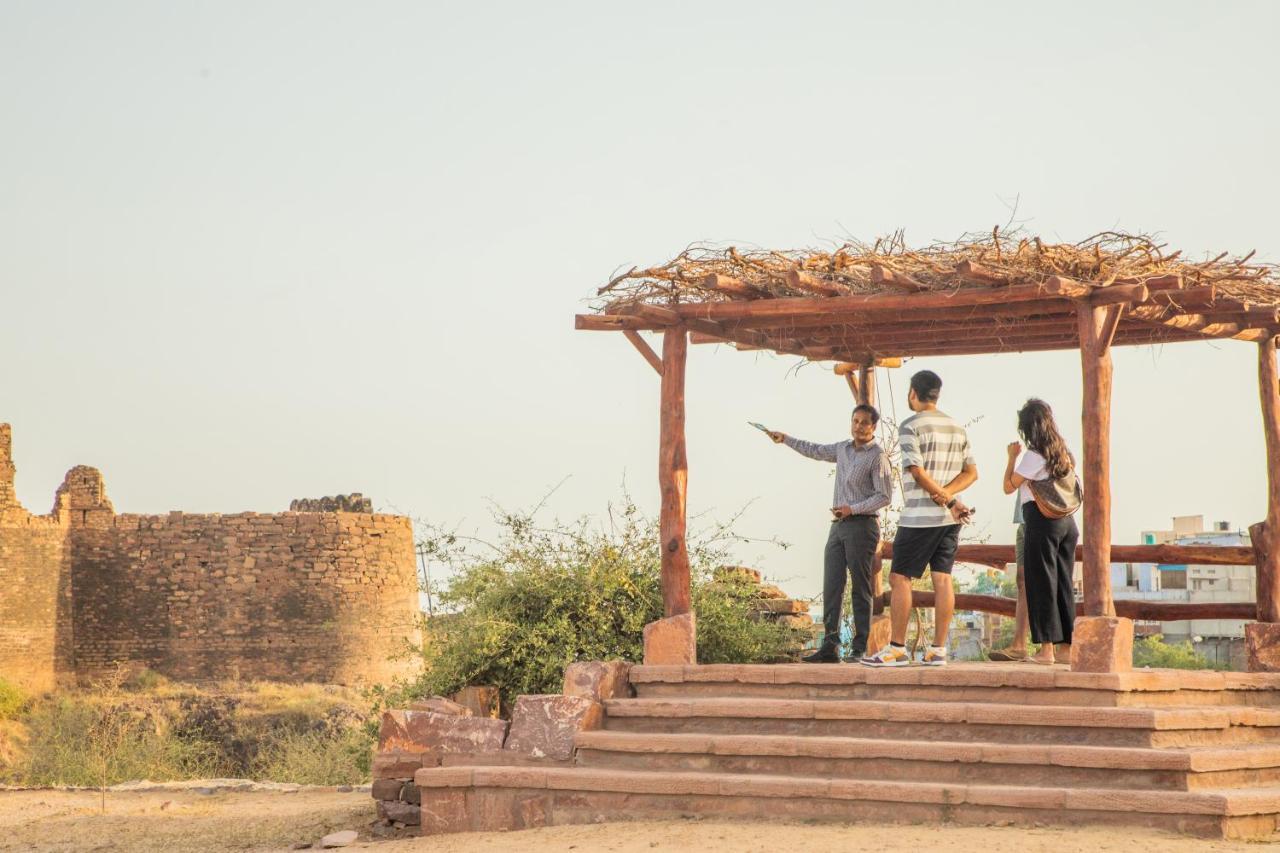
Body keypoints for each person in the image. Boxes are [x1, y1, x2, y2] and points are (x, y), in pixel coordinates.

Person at [861, 370, 976, 668]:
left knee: (900, 578)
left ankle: (897, 648)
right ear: (936, 394)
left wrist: (945, 497)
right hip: (948, 520)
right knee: (943, 578)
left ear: (913, 392)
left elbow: (916, 470)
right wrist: (949, 496)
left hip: (919, 518)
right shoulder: (957, 427)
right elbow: (971, 473)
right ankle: (938, 650)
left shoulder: (911, 426)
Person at [766, 404, 893, 662]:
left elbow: (884, 496)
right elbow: (814, 450)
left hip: (862, 525)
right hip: (838, 527)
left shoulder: (877, 457)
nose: (858, 426)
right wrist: (786, 439)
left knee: (860, 586)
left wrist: (853, 509)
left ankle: (859, 648)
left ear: (873, 427)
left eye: (864, 422)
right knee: (832, 584)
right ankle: (830, 647)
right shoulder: (842, 449)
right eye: (855, 421)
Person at [1003, 398, 1079, 665]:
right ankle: (1066, 648)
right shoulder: (1063, 452)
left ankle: (1046, 650)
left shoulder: (1034, 455)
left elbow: (1009, 486)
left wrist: (1011, 458)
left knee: (1041, 584)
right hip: (1067, 522)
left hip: (1041, 520)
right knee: (1063, 584)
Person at [987, 498, 1030, 661]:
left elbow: (1009, 485)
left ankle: (1051, 648)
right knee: (1023, 580)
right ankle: (1019, 646)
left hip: (1043, 515)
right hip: (1025, 517)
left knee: (1046, 580)